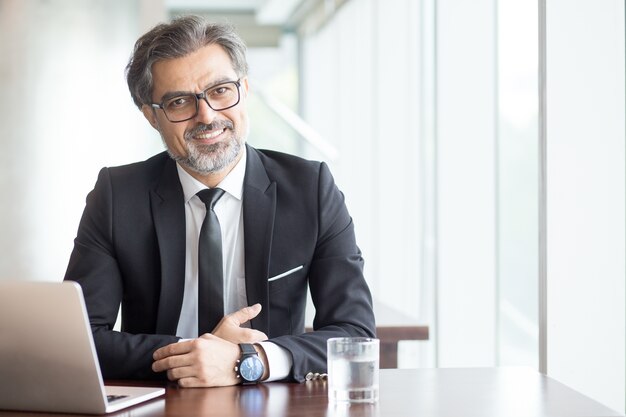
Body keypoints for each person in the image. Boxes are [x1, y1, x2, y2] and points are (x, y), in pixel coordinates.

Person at [64, 15, 375, 388]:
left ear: (244, 87)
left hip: (274, 402)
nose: (207, 115)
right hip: (157, 402)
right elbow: (80, 339)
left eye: (221, 90)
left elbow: (355, 334)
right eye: (179, 102)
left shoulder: (311, 188)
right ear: (151, 116)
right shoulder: (116, 195)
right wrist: (193, 356)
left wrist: (250, 361)